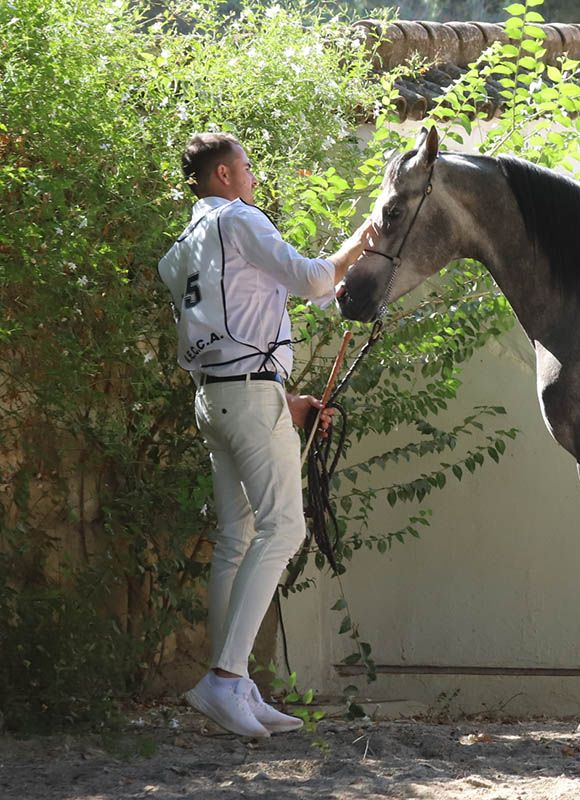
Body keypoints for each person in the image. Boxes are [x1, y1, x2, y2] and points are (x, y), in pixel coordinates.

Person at [157, 132, 371, 737]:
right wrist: (358, 244)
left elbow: (237, 321)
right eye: (247, 168)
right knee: (284, 528)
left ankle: (234, 683)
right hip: (248, 398)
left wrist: (284, 397)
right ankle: (225, 680)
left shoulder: (180, 249)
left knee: (236, 539)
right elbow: (310, 279)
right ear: (224, 175)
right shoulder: (239, 219)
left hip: (217, 398)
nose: (253, 178)